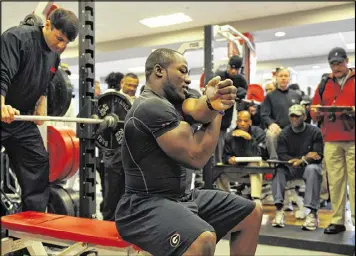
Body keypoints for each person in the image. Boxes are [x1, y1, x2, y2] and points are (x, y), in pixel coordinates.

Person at [115, 48, 263, 256]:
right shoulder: (150, 106)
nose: (187, 79)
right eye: (182, 71)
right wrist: (218, 109)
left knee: (252, 212)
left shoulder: (177, 98)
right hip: (142, 206)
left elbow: (198, 109)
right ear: (159, 71)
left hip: (180, 198)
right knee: (202, 240)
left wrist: (211, 101)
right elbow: (196, 157)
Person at [1, 8, 79, 212]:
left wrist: (40, 105)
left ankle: (30, 226)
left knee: (37, 161)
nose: (61, 46)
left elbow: (45, 81)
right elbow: (2, 73)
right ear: (47, 25)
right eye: (59, 38)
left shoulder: (54, 56)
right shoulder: (16, 38)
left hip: (19, 120)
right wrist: (1, 105)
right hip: (2, 111)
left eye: (66, 43)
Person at [311, 46, 355, 234]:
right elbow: (313, 109)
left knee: (354, 182)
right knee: (335, 182)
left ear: (347, 61)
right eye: (332, 64)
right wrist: (316, 111)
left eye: (339, 63)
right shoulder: (324, 83)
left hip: (353, 138)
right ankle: (337, 220)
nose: (336, 67)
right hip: (331, 139)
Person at [272, 104, 323, 231]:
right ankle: (279, 210)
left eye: (298, 116)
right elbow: (281, 154)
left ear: (304, 117)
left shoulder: (315, 132)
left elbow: (318, 155)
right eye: (292, 116)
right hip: (290, 166)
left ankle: (312, 213)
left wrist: (302, 160)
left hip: (308, 167)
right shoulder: (284, 133)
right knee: (278, 171)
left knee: (314, 170)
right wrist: (298, 159)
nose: (294, 119)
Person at [101, 73, 139, 221]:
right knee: (112, 190)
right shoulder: (112, 100)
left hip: (132, 152)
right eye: (129, 85)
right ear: (122, 83)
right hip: (114, 151)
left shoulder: (138, 101)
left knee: (128, 190)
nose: (132, 88)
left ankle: (124, 221)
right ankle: (108, 221)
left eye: (135, 86)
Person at [222, 110, 267, 201]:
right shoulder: (229, 135)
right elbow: (225, 155)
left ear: (250, 122)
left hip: (260, 165)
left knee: (254, 166)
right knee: (219, 171)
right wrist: (229, 159)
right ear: (236, 122)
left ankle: (256, 198)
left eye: (245, 121)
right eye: (240, 120)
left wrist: (249, 139)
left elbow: (260, 155)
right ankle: (225, 198)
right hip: (238, 166)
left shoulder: (258, 132)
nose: (242, 124)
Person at [260, 67, 302, 160]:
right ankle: (274, 160)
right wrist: (271, 124)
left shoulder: (296, 95)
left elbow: (302, 113)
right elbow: (264, 114)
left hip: (293, 128)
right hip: (278, 128)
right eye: (281, 76)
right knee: (271, 135)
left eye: (286, 76)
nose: (283, 78)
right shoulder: (270, 96)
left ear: (289, 79)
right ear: (276, 78)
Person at [213, 55, 248, 163]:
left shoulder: (240, 79)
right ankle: (214, 170)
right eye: (231, 68)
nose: (233, 71)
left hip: (226, 118)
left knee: (222, 145)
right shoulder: (219, 76)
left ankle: (219, 168)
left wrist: (237, 93)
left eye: (236, 69)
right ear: (228, 66)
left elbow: (243, 91)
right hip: (214, 113)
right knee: (214, 145)